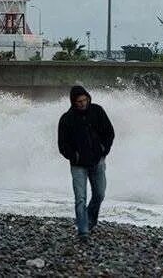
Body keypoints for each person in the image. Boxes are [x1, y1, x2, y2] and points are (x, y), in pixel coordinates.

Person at [57, 85, 115, 240]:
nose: (83, 103)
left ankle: (90, 220)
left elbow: (109, 132)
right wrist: (73, 156)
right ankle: (83, 231)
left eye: (84, 100)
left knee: (99, 194)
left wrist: (104, 149)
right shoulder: (67, 119)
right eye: (79, 101)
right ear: (73, 102)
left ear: (88, 98)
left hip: (97, 160)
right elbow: (62, 145)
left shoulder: (97, 111)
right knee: (80, 198)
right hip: (78, 165)